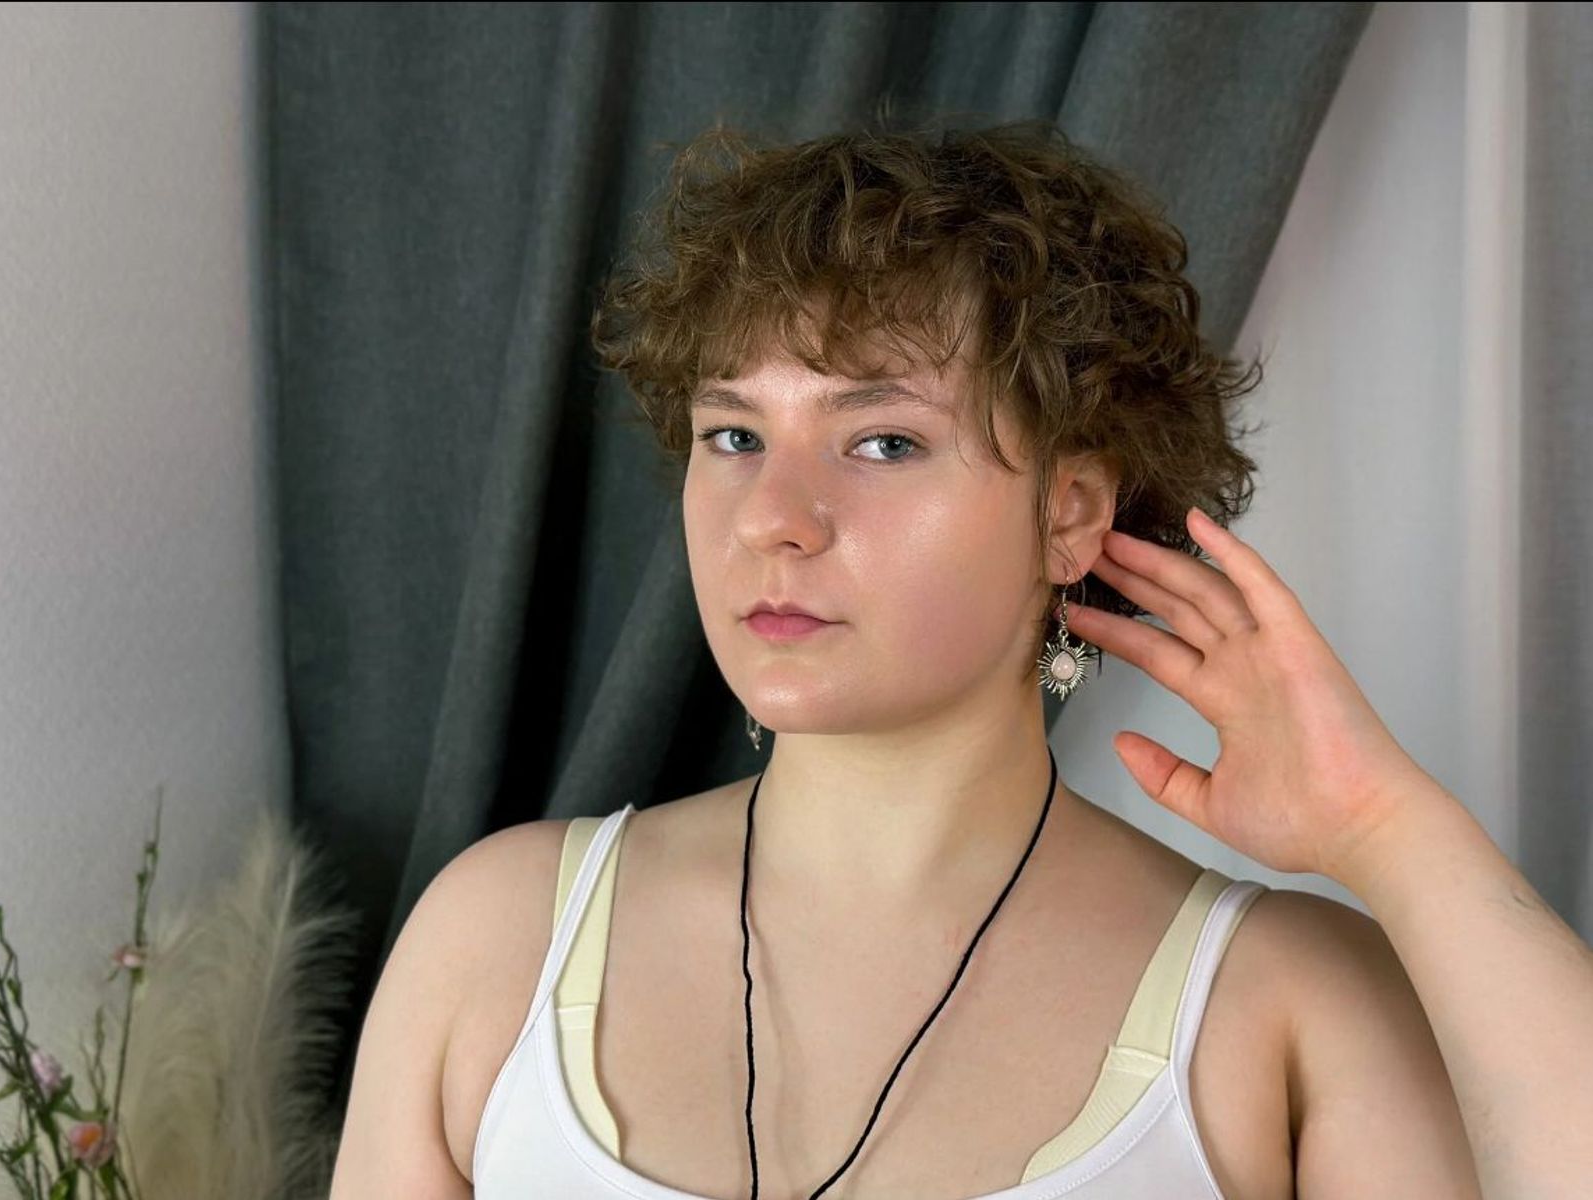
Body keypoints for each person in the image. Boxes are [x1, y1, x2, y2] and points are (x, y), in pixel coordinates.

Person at [329, 118, 1593, 1199]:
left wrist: (1384, 825)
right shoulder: (499, 940)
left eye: (881, 442)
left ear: (1069, 513)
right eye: (733, 436)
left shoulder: (1282, 1007)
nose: (773, 517)